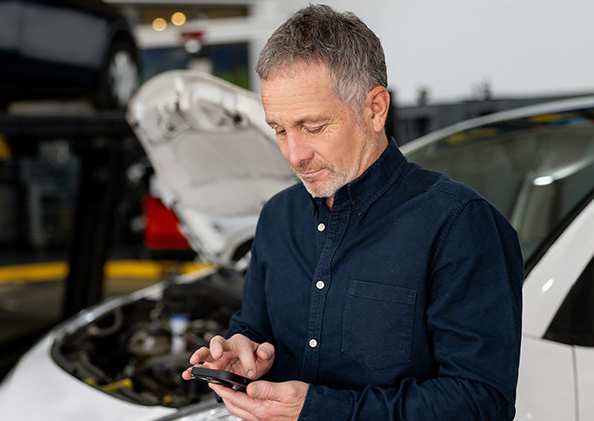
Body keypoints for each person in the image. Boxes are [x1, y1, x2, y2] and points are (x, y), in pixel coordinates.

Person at [182, 4, 523, 420]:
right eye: (279, 128)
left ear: (375, 109)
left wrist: (321, 411)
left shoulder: (458, 224)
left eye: (312, 126)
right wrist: (240, 356)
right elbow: (254, 329)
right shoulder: (277, 217)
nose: (295, 155)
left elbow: (482, 401)